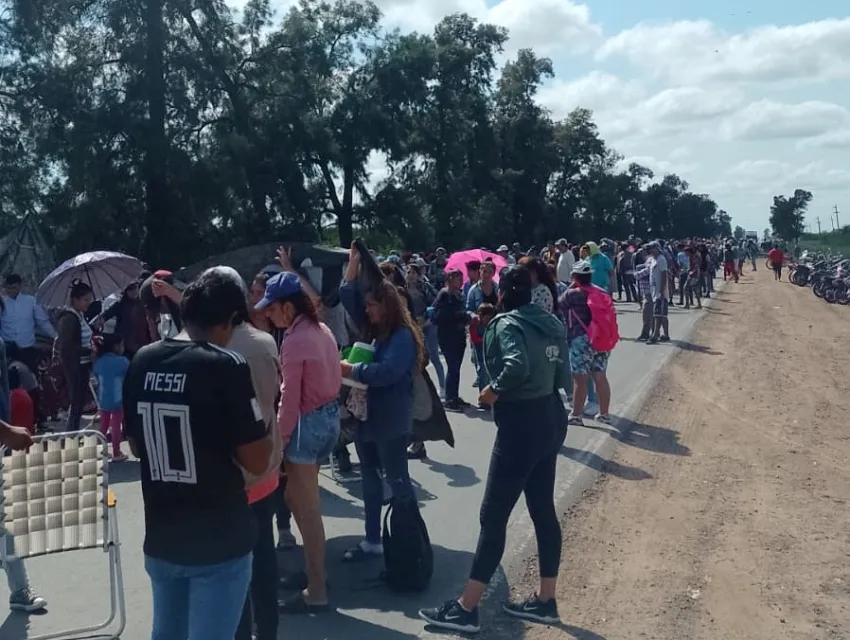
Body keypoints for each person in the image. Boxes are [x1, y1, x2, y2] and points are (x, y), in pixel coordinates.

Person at [123, 269, 272, 640]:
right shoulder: (227, 365)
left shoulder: (142, 360)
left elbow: (137, 447)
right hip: (218, 540)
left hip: (162, 535)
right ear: (231, 319)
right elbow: (257, 459)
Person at [419, 265, 567, 634]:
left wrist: (492, 391)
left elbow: (515, 366)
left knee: (493, 514)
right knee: (541, 508)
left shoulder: (505, 324)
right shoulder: (549, 322)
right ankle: (545, 600)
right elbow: (562, 373)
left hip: (521, 423)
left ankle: (466, 609)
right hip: (551, 415)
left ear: (501, 294)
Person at [255, 271, 340, 615]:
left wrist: (278, 444)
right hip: (327, 421)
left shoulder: (294, 341)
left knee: (307, 508)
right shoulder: (321, 330)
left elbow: (289, 400)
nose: (267, 314)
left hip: (307, 425)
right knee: (296, 498)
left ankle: (316, 589)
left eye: (272, 308)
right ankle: (314, 570)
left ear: (288, 307)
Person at [339, 244, 423, 563]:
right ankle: (373, 539)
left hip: (390, 420)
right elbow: (347, 293)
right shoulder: (376, 329)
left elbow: (387, 373)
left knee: (398, 481)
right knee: (371, 480)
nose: (368, 309)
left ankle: (410, 538)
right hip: (368, 419)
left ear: (386, 308)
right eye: (369, 305)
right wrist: (354, 263)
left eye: (374, 305)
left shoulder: (401, 336)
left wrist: (351, 370)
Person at [559, 261, 613, 425]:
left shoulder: (572, 294)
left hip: (580, 340)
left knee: (579, 380)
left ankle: (576, 415)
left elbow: (558, 305)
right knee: (600, 376)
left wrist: (570, 287)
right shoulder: (602, 292)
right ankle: (604, 414)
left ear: (575, 276)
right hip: (602, 339)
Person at [56, 279, 95, 431]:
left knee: (79, 402)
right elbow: (67, 346)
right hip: (74, 365)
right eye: (85, 299)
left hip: (83, 364)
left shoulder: (80, 316)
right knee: (75, 401)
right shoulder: (68, 318)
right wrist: (88, 351)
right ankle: (70, 433)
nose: (88, 303)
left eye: (89, 299)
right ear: (75, 299)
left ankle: (74, 431)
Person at [432, 269, 470, 411]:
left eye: (460, 278)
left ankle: (454, 396)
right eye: (456, 278)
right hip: (447, 336)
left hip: (459, 335)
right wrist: (462, 316)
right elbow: (442, 316)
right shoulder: (445, 295)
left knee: (456, 369)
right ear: (449, 279)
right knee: (453, 367)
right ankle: (449, 399)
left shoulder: (459, 295)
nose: (459, 281)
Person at [92, 333, 130, 460]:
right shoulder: (123, 362)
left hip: (103, 399)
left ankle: (102, 451)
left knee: (103, 425)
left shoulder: (99, 362)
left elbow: (96, 376)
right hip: (118, 399)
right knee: (116, 426)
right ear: (116, 346)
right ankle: (116, 452)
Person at [646, 242, 671, 344]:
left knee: (658, 314)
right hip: (654, 290)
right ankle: (666, 335)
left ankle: (655, 334)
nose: (650, 250)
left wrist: (661, 290)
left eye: (652, 248)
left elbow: (664, 275)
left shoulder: (661, 259)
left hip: (661, 291)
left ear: (657, 249)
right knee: (662, 314)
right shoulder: (652, 260)